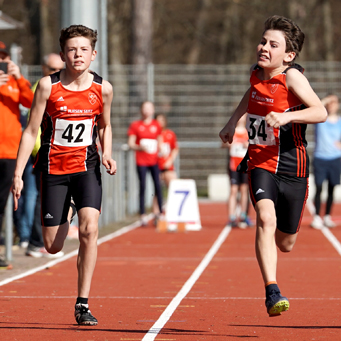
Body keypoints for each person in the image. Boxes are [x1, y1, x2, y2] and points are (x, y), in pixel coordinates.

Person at [219, 15, 327, 317]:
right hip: (260, 162)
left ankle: (282, 236)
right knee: (265, 218)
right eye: (263, 41)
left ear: (288, 55)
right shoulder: (256, 73)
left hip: (293, 168)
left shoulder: (292, 78)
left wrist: (288, 117)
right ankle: (272, 289)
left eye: (273, 44)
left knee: (286, 242)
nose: (264, 47)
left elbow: (320, 112)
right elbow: (250, 96)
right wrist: (232, 120)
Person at [12, 25, 117, 326]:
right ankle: (66, 209)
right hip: (54, 171)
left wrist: (106, 152)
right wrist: (18, 174)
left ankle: (82, 303)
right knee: (52, 246)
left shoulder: (103, 89)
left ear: (93, 54)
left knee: (89, 230)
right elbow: (31, 129)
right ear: (62, 55)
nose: (78, 54)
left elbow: (105, 126)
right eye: (72, 49)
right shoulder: (48, 86)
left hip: (87, 169)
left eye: (83, 49)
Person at [25, 53, 66, 258]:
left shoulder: (60, 87)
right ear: (43, 69)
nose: (56, 73)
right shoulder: (40, 88)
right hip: (43, 153)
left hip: (57, 154)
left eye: (60, 69)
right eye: (52, 69)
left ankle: (38, 240)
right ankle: (36, 241)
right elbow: (34, 128)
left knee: (42, 197)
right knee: (40, 198)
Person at [0, 41, 34, 267]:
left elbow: (31, 102)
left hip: (10, 151)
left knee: (1, 202)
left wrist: (19, 77)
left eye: (3, 58)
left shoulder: (14, 82)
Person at [127, 101, 163, 226]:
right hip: (141, 161)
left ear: (153, 110)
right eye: (145, 108)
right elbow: (131, 143)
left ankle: (160, 212)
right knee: (142, 186)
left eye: (149, 108)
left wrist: (161, 149)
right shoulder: (135, 125)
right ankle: (142, 214)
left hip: (154, 161)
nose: (147, 110)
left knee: (158, 185)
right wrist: (139, 147)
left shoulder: (156, 125)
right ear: (141, 110)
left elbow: (160, 140)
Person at [311, 94, 341, 229]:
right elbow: (314, 107)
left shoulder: (340, 121)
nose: (332, 105)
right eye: (330, 102)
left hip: (335, 158)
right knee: (318, 187)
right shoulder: (320, 118)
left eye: (335, 102)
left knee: (332, 188)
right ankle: (317, 216)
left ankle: (327, 216)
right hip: (320, 158)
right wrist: (327, 100)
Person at [221, 113, 251, 228]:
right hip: (233, 165)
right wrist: (228, 144)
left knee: (244, 189)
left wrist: (247, 145)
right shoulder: (231, 130)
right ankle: (232, 217)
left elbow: (255, 146)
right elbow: (222, 144)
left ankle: (243, 215)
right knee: (233, 190)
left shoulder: (248, 132)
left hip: (245, 165)